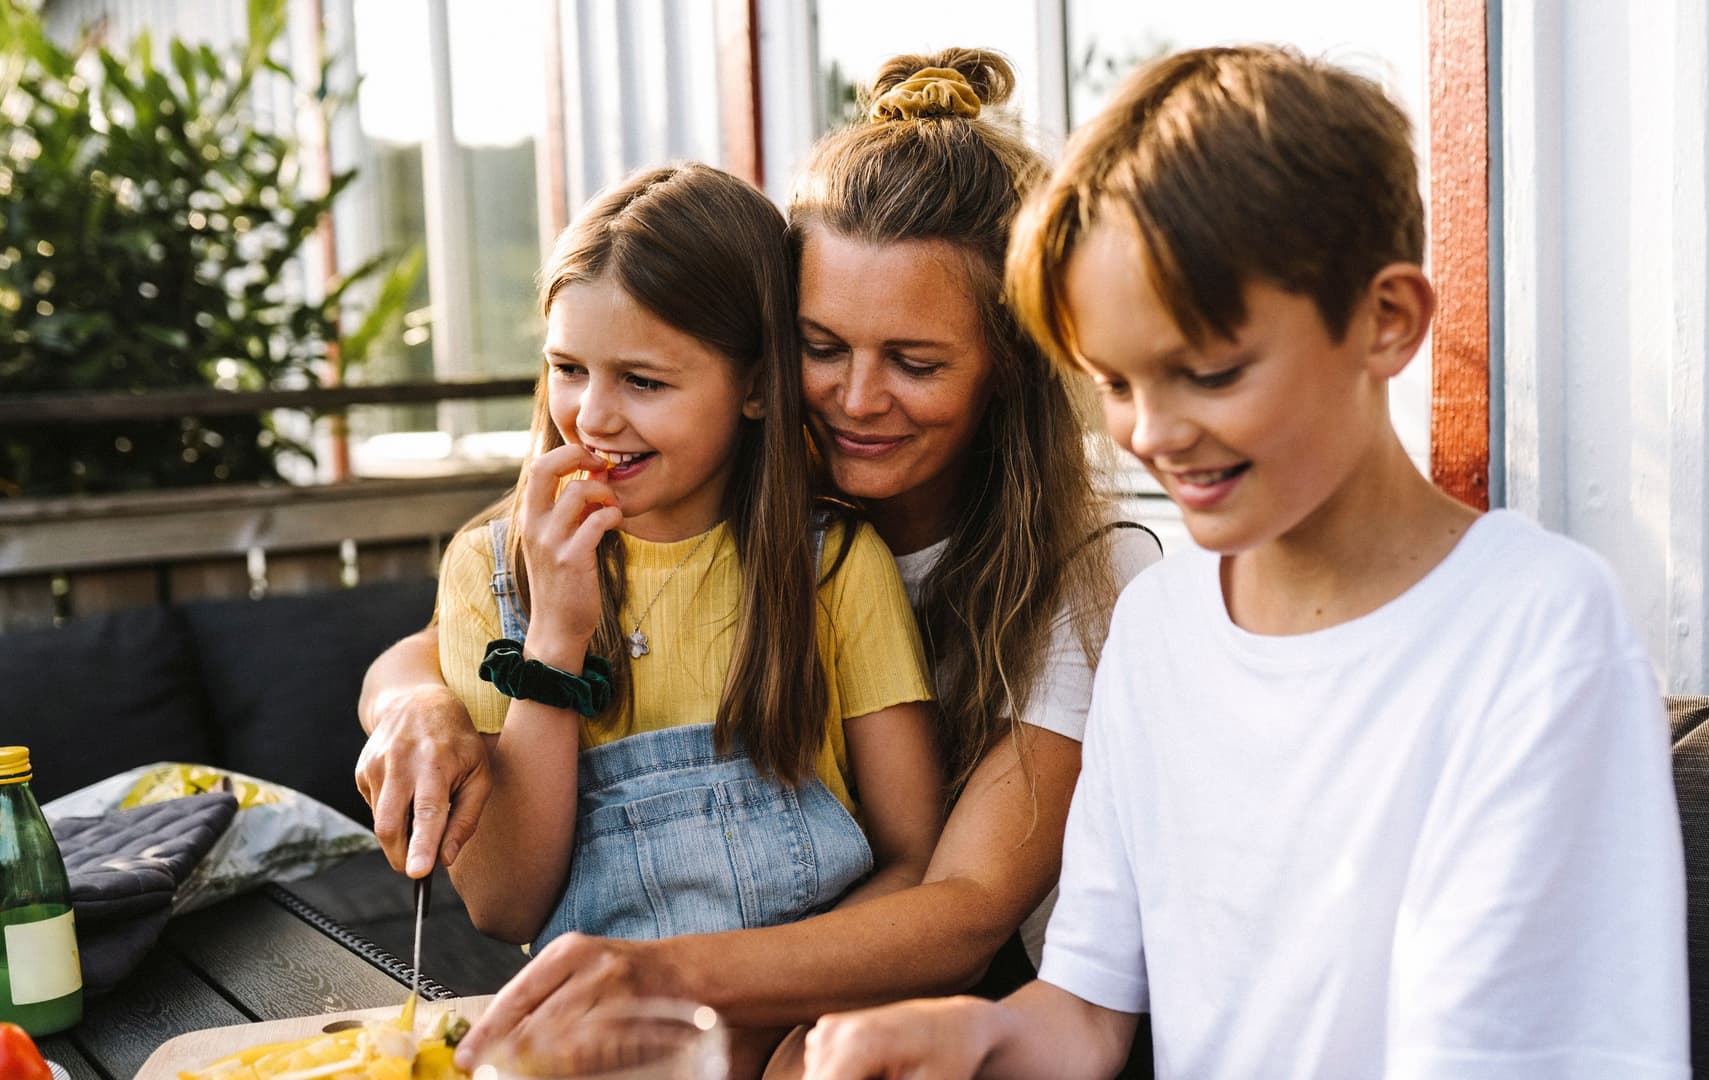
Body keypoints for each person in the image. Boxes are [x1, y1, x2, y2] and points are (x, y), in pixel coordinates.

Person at [800, 44, 1691, 1080]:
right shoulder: (1158, 627)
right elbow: (1084, 1015)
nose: (1154, 432)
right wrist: (967, 1035)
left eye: (1210, 373)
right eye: (1118, 383)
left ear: (1387, 321)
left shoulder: (1535, 629)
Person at [354, 49, 1159, 1074]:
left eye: (914, 362)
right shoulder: (753, 513)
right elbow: (453, 643)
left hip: (1004, 1016)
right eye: (823, 347)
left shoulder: (1081, 574)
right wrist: (412, 710)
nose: (857, 399)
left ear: (1010, 368)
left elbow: (959, 910)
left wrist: (660, 988)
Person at [428, 162, 944, 967]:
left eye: (642, 380)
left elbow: (916, 862)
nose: (593, 416)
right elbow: (501, 902)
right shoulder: (488, 573)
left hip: (809, 1017)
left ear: (758, 388)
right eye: (568, 368)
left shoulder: (834, 567)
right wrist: (556, 637)